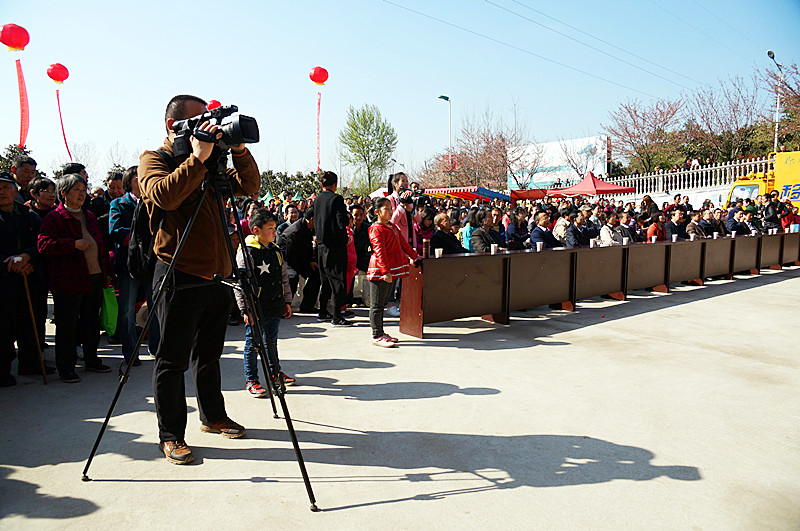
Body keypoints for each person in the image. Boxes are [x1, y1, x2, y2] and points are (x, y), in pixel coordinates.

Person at [139, 94, 260, 464]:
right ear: (174, 126)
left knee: (209, 355)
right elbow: (165, 197)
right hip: (178, 271)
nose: (209, 128)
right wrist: (197, 158)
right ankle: (171, 434)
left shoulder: (213, 160)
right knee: (172, 359)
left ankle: (213, 416)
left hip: (217, 273)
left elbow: (250, 187)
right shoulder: (154, 158)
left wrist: (236, 149)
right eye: (200, 122)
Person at [38, 174, 113, 382]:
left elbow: (101, 246)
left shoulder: (88, 216)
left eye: (83, 189)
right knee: (67, 324)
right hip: (69, 280)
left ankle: (92, 359)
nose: (82, 194)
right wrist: (71, 244)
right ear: (64, 193)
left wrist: (106, 273)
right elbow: (43, 245)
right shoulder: (55, 218)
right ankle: (67, 367)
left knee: (91, 322)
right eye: (77, 190)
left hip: (94, 277)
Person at [0, 172, 54, 386]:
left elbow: (40, 243)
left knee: (31, 323)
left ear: (15, 191)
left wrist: (27, 256)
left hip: (30, 276)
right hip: (4, 279)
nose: (2, 192)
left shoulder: (28, 215)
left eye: (6, 187)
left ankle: (31, 362)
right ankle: (2, 369)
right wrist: (11, 262)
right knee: (3, 327)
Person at [235, 209, 295, 398]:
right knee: (252, 343)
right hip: (255, 306)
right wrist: (245, 309)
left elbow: (283, 277)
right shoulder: (247, 253)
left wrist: (286, 301)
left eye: (275, 228)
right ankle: (251, 379)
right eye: (270, 228)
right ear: (256, 230)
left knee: (271, 341)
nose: (274, 232)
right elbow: (240, 285)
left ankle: (275, 373)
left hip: (274, 305)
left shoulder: (275, 251)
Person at [109, 166, 160, 369]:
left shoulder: (155, 202)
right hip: (128, 263)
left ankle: (156, 348)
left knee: (155, 307)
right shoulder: (118, 204)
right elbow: (115, 231)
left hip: (152, 262)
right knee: (127, 311)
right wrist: (141, 234)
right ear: (130, 180)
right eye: (140, 177)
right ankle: (130, 352)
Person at [367, 197, 419, 348]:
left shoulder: (392, 227)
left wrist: (415, 256)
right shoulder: (376, 229)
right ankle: (376, 335)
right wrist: (385, 272)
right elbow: (380, 252)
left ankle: (381, 332)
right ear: (377, 212)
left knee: (382, 303)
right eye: (387, 209)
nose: (390, 212)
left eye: (391, 208)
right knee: (376, 305)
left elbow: (403, 244)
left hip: (390, 270)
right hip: (380, 271)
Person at [312, 171, 351, 326]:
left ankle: (322, 312)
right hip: (335, 246)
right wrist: (345, 236)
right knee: (338, 281)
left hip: (321, 246)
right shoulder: (337, 199)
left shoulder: (317, 200)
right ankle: (337, 316)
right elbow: (342, 223)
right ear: (335, 184)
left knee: (325, 280)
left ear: (322, 184)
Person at [278, 210, 321, 313]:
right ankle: (284, 307)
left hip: (300, 259)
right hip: (286, 260)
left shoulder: (309, 228)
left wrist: (311, 261)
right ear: (312, 219)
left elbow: (309, 246)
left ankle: (307, 305)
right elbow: (290, 254)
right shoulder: (295, 231)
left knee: (316, 274)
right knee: (292, 276)